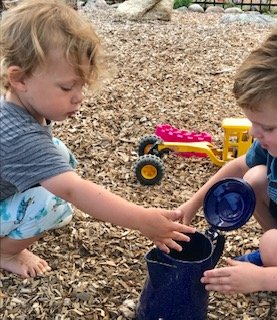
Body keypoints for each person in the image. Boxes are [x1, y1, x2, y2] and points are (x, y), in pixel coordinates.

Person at [0, 0, 195, 278]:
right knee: (53, 202)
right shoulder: (20, 137)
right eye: (67, 87)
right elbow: (72, 190)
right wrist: (142, 220)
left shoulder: (15, 105)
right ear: (19, 78)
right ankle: (6, 250)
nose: (79, 96)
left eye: (81, 85)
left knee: (57, 153)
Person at [180, 15, 277, 294]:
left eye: (268, 126)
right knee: (253, 177)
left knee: (273, 247)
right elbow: (237, 166)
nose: (253, 134)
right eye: (252, 123)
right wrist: (191, 205)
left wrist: (261, 281)